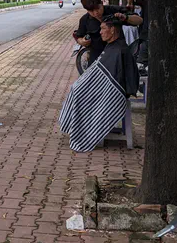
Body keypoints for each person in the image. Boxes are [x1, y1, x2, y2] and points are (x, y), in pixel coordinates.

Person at [59, 16, 140, 152]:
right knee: (76, 89)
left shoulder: (119, 50)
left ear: (113, 30)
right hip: (105, 87)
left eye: (103, 29)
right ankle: (76, 127)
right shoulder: (112, 47)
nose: (100, 32)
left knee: (79, 94)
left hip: (113, 92)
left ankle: (84, 133)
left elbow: (115, 80)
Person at [73, 0, 142, 66]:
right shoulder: (85, 20)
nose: (96, 13)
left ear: (102, 3)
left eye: (97, 8)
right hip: (97, 62)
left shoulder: (113, 10)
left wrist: (126, 18)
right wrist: (82, 41)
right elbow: (79, 36)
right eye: (91, 11)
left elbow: (139, 20)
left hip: (118, 60)